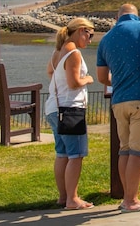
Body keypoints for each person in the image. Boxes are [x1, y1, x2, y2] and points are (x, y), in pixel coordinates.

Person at [96, 3, 140, 213]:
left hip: (119, 101)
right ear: (135, 15)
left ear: (117, 17)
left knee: (125, 150)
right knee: (138, 151)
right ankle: (131, 201)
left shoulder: (106, 39)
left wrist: (120, 80)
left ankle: (127, 197)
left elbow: (102, 77)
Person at [44, 17, 95, 211]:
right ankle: (72, 199)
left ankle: (64, 196)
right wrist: (88, 79)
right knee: (76, 155)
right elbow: (74, 83)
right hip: (71, 109)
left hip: (54, 108)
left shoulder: (58, 51)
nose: (90, 41)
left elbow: (50, 72)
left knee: (62, 153)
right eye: (89, 35)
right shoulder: (74, 53)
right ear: (81, 30)